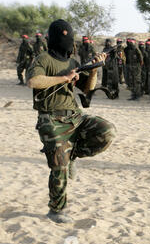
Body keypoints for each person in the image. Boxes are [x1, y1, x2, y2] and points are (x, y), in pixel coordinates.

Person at [26, 19, 116, 224]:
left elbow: (87, 89)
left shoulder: (73, 62)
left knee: (107, 131)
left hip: (75, 115)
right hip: (50, 118)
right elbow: (33, 81)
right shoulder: (43, 59)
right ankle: (56, 210)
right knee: (59, 165)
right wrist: (63, 78)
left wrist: (94, 68)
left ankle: (72, 154)